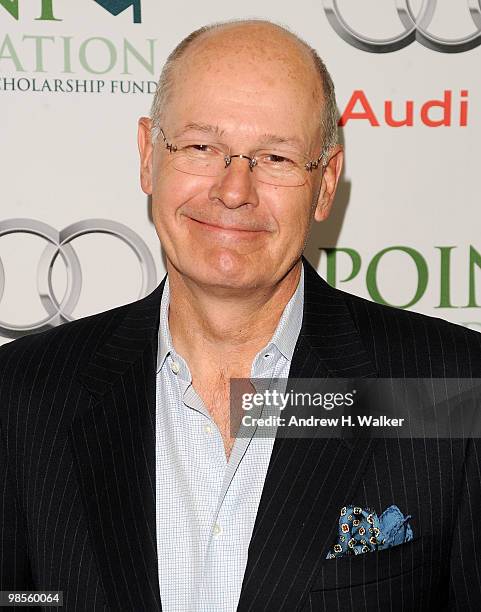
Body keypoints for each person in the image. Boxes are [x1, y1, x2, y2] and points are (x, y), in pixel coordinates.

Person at [1, 19, 480, 612]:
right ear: (150, 156)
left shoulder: (448, 391)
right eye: (202, 147)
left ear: (325, 183)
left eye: (275, 157)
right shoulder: (23, 394)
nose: (234, 190)